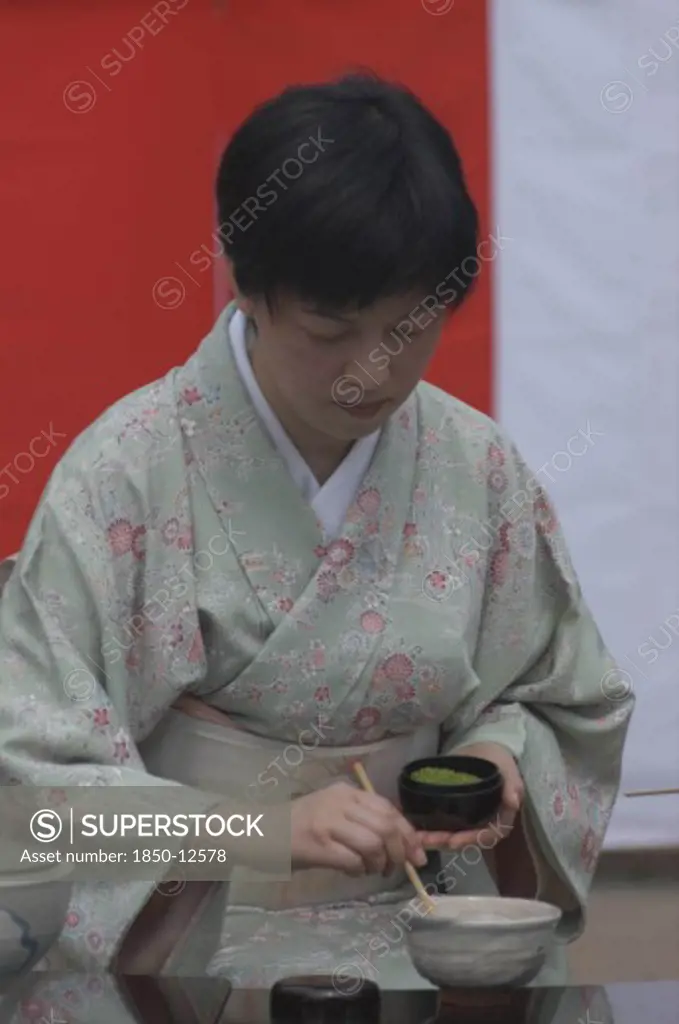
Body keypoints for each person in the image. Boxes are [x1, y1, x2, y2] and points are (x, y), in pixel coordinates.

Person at [0, 72, 632, 988]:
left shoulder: (476, 467)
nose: (374, 371)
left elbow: (560, 696)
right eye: (333, 329)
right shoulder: (123, 479)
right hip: (189, 962)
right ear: (247, 288)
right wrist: (259, 831)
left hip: (431, 941)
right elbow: (35, 809)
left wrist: (497, 754)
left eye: (413, 327)